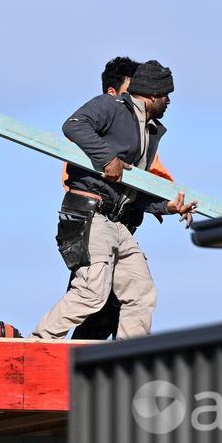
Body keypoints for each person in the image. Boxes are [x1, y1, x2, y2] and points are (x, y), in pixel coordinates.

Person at [32, 60, 196, 340]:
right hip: (90, 211)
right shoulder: (112, 106)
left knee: (140, 292)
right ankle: (39, 342)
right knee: (92, 292)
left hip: (117, 221)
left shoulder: (149, 130)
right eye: (166, 95)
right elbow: (73, 125)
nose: (169, 102)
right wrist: (107, 158)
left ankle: (128, 359)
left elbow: (133, 190)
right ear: (154, 94)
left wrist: (165, 207)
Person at [67, 57, 173, 341]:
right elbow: (79, 182)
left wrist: (166, 204)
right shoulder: (99, 134)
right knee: (92, 302)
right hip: (95, 227)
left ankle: (118, 367)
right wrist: (107, 159)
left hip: (122, 230)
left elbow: (149, 184)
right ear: (113, 95)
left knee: (126, 302)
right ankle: (49, 351)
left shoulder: (143, 138)